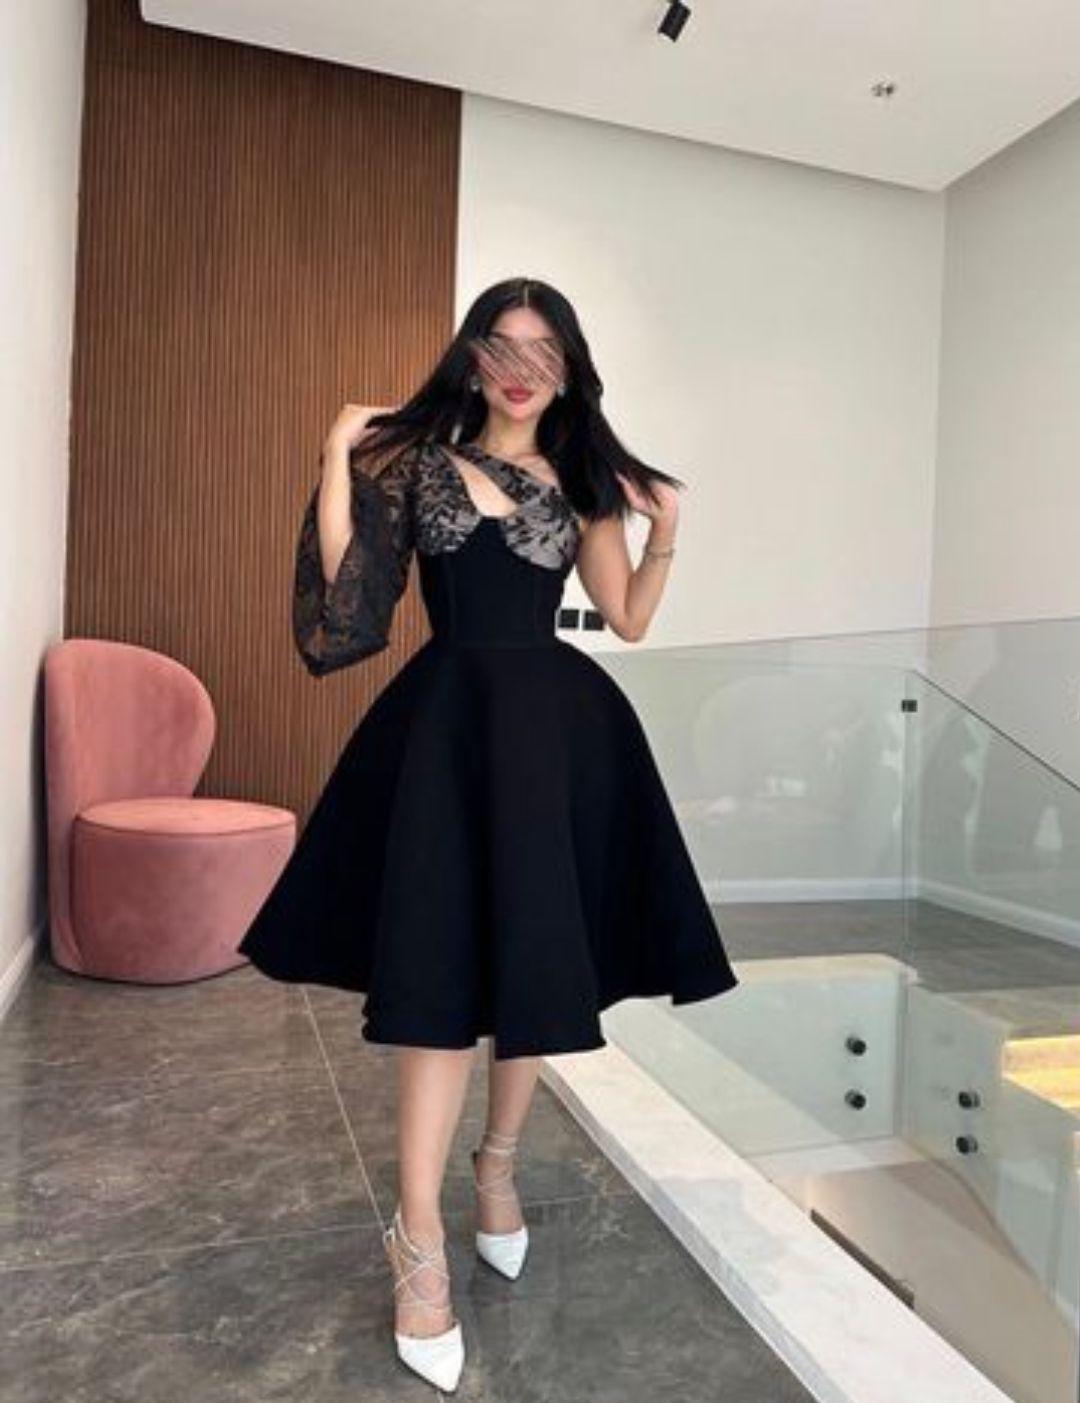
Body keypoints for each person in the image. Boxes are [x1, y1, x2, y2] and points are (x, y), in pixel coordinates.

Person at [237, 276, 738, 1392]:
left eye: (544, 350)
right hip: (447, 732)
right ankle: (417, 1236)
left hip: (560, 740)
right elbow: (345, 603)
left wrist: (665, 531)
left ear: (569, 367)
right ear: (471, 357)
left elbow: (626, 616)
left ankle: (497, 1167)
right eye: (503, 346)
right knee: (436, 977)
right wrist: (334, 455)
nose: (522, 368)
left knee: (534, 964)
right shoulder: (421, 465)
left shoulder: (585, 480)